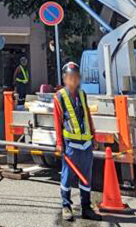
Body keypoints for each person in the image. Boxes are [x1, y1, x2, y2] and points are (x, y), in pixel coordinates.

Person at [52, 62, 102, 222]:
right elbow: (57, 121)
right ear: (65, 79)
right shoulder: (59, 96)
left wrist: (94, 136)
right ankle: (66, 205)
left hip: (86, 144)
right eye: (70, 77)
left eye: (75, 77)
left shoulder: (82, 94)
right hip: (70, 144)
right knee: (67, 176)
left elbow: (87, 116)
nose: (73, 80)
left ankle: (86, 207)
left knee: (86, 177)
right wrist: (59, 143)